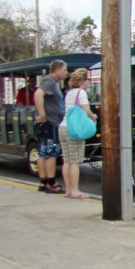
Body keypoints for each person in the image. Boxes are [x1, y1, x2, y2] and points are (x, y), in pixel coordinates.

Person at [58, 68, 97, 199]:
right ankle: (75, 190)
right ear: (82, 80)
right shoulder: (81, 93)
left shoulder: (69, 93)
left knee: (67, 160)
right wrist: (94, 116)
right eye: (88, 80)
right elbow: (86, 110)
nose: (89, 82)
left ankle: (68, 189)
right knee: (75, 161)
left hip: (63, 127)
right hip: (74, 129)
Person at [34, 59, 68, 194]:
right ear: (57, 69)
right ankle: (51, 182)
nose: (66, 73)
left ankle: (43, 182)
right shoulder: (50, 81)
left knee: (43, 152)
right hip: (50, 123)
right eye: (65, 70)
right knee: (51, 153)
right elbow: (38, 94)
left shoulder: (50, 82)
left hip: (48, 123)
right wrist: (42, 114)